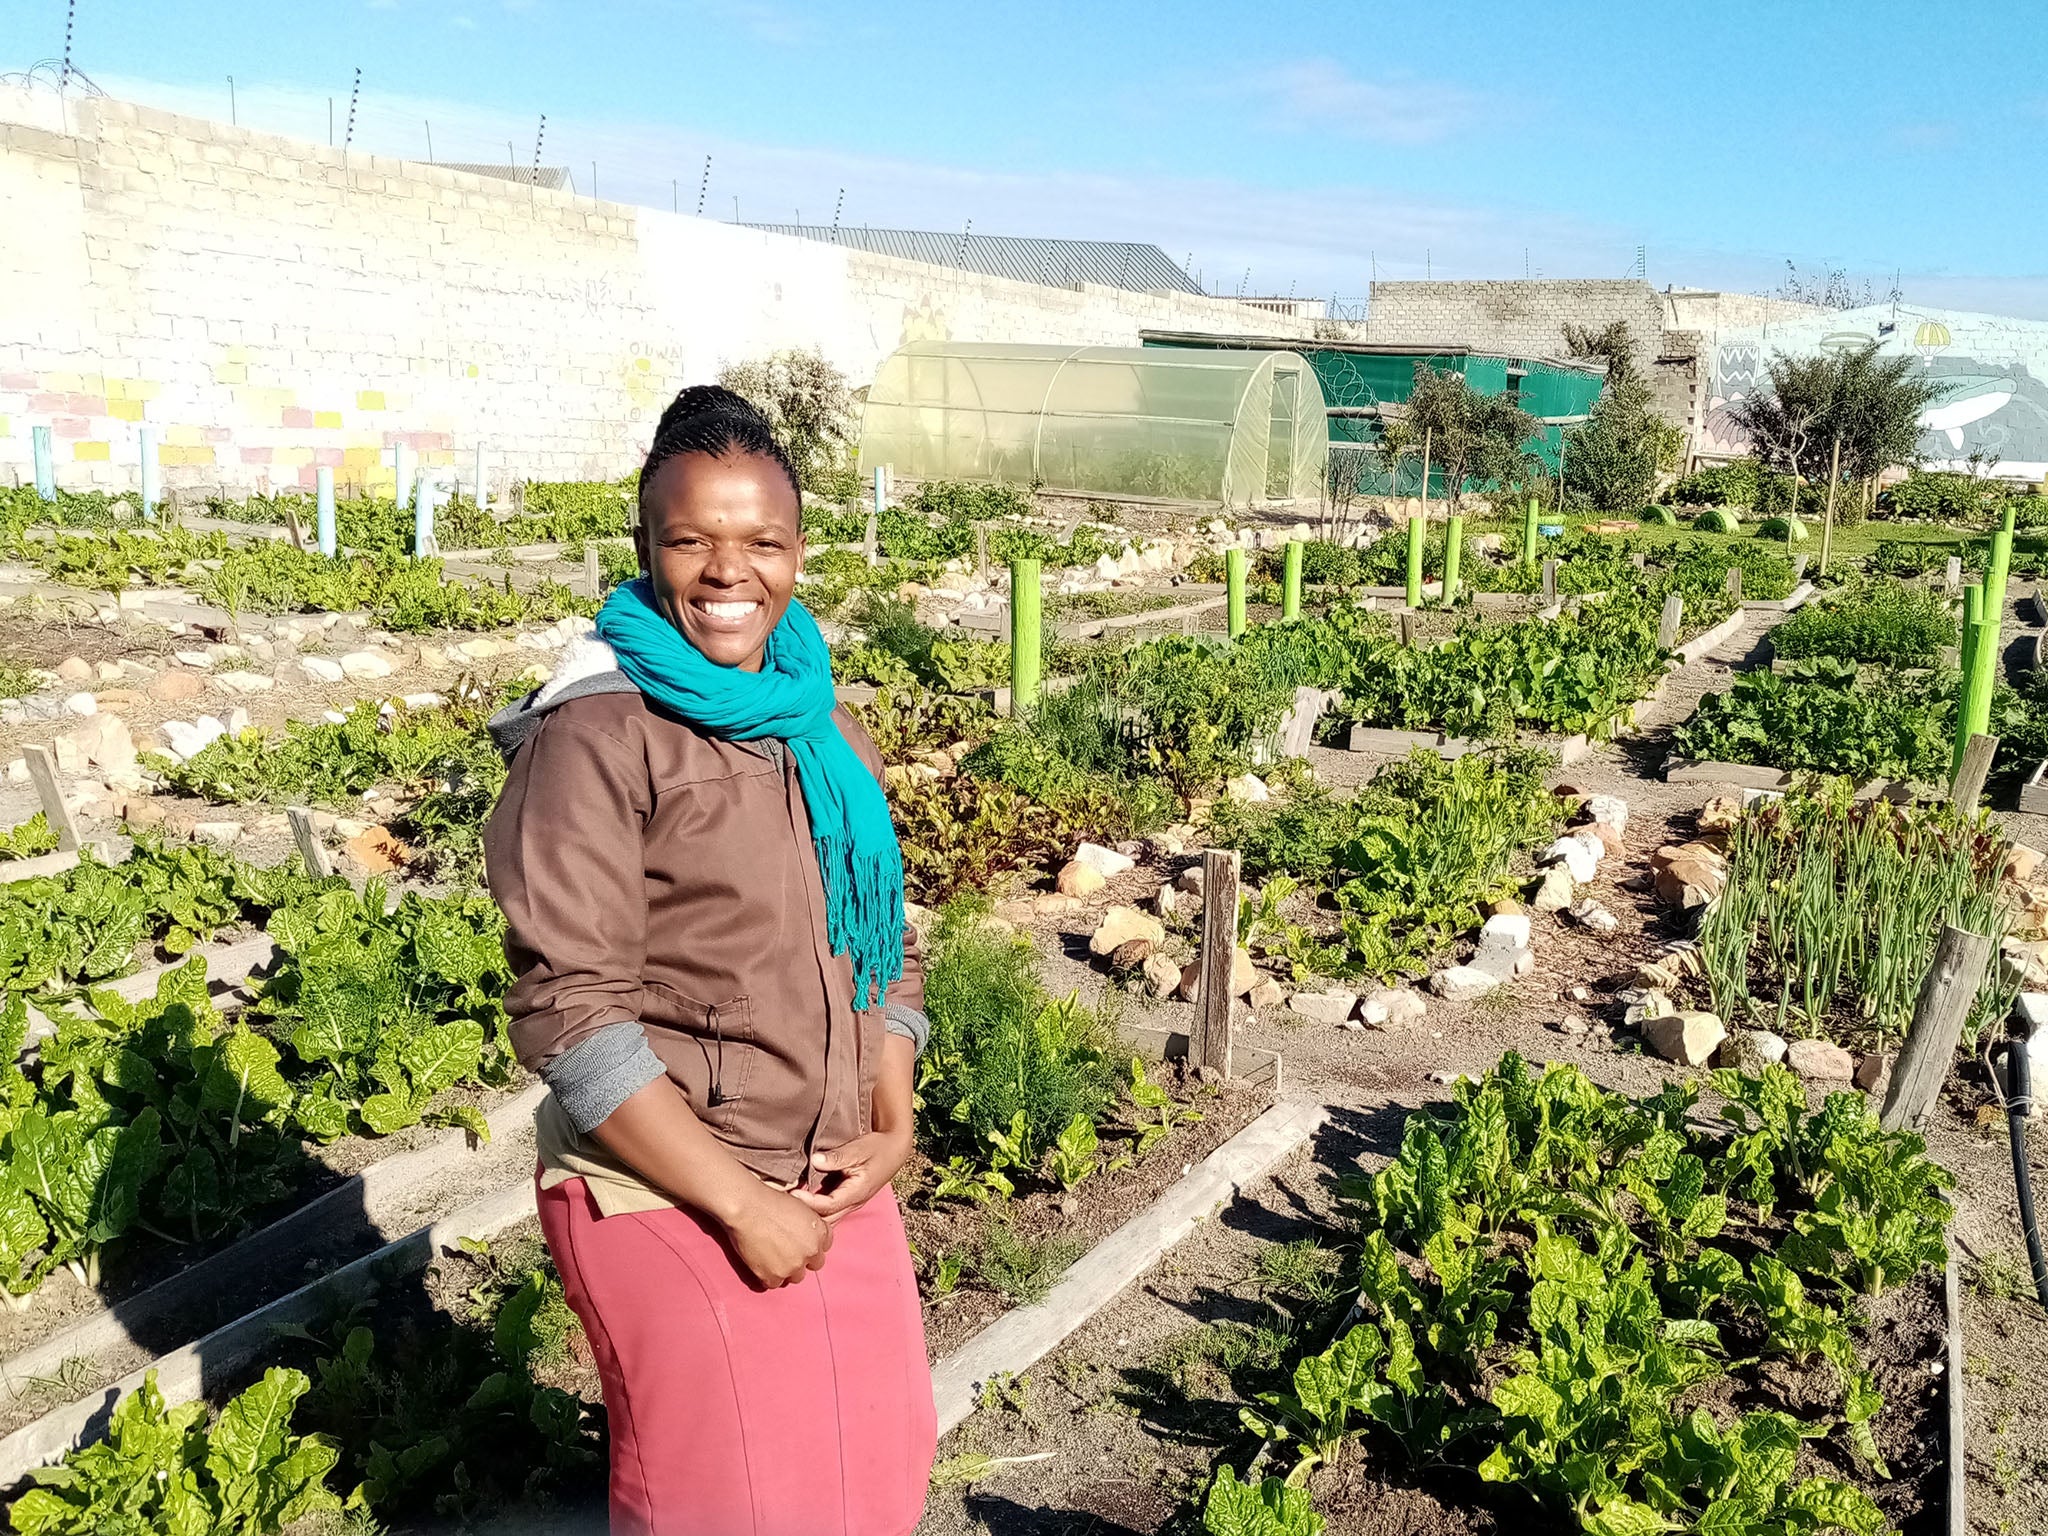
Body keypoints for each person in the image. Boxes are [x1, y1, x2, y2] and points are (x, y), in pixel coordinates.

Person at [484, 385, 937, 1536]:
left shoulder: (819, 723)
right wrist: (739, 1204)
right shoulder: (594, 735)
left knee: (875, 1485)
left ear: (797, 551)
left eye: (761, 542)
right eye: (690, 541)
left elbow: (877, 945)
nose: (727, 572)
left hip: (831, 1167)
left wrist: (892, 1120)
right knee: (725, 1508)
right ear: (645, 547)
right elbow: (571, 1016)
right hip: (670, 1184)